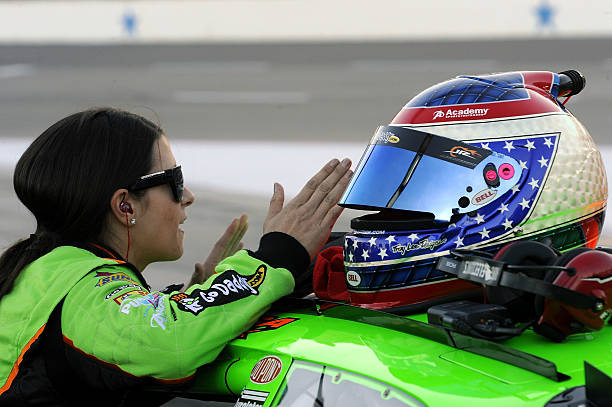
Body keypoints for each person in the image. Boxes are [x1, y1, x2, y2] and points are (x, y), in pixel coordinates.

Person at [0, 108, 352, 405]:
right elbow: (170, 344)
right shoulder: (79, 288)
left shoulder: (48, 271)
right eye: (175, 181)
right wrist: (276, 256)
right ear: (125, 205)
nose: (189, 197)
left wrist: (198, 297)